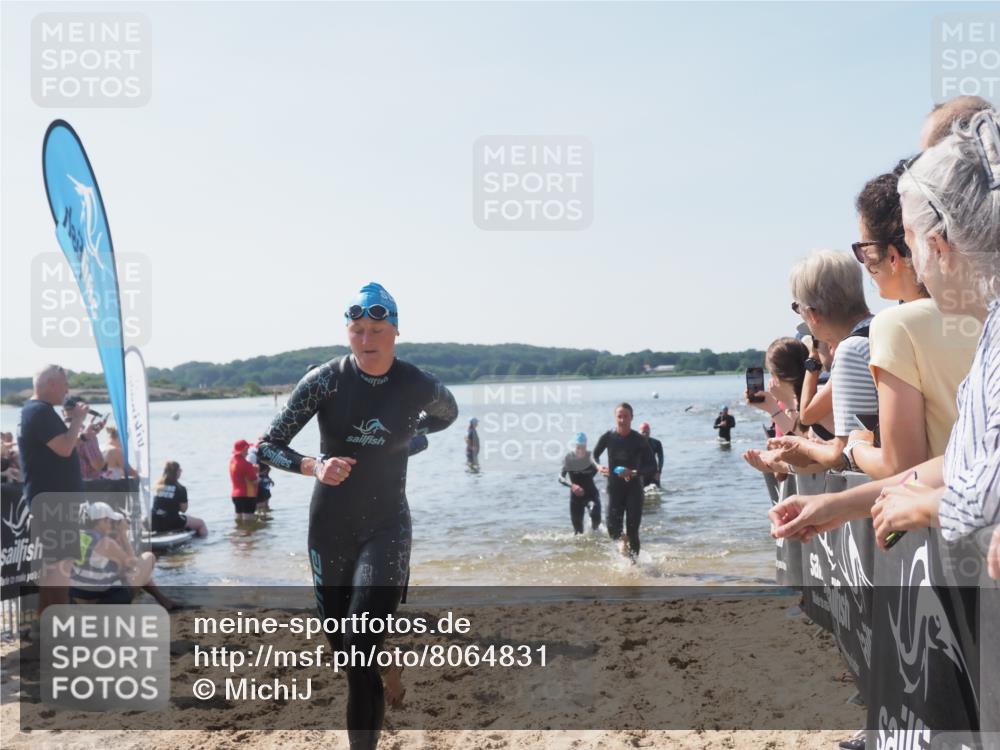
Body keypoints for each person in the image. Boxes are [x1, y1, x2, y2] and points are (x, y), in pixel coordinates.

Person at [769, 109, 1000, 566]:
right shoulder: (988, 330)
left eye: (910, 238)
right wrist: (839, 505)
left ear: (939, 246)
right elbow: (960, 466)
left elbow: (985, 497)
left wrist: (923, 506)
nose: (906, 257)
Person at [256, 281, 458, 749]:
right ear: (349, 332)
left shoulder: (417, 383)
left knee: (360, 648)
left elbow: (448, 414)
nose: (366, 339)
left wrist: (411, 438)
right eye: (358, 329)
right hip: (330, 528)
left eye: (376, 329)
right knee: (346, 651)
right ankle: (385, 666)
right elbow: (265, 446)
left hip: (387, 526)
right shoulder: (326, 380)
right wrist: (314, 465)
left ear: (395, 332)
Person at [846, 164, 979, 479]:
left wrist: (856, 450)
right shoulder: (985, 311)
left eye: (862, 249)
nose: (863, 262)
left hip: (946, 519)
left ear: (893, 254)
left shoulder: (897, 325)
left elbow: (902, 467)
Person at [767, 250, 877, 472]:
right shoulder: (885, 329)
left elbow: (845, 455)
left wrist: (802, 446)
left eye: (798, 308)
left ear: (813, 313)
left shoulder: (851, 350)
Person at [18, 365, 98, 615]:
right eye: (65, 385)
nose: (67, 391)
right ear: (51, 384)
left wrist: (77, 431)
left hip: (54, 500)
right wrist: (76, 421)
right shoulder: (38, 411)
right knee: (60, 568)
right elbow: (64, 448)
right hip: (54, 502)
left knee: (54, 568)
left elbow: (62, 447)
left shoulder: (39, 412)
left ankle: (44, 625)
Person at [593, 403, 654, 561]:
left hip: (634, 489)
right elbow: (594, 455)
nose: (622, 419)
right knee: (612, 530)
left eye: (626, 416)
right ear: (615, 418)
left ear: (631, 418)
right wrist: (599, 466)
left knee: (633, 531)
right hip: (614, 488)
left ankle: (634, 566)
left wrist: (633, 472)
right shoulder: (609, 436)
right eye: (619, 416)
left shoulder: (639, 439)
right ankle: (622, 540)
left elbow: (651, 466)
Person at [69, 501, 155, 604]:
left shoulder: (80, 536)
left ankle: (164, 601)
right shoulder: (105, 542)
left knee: (121, 572)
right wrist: (123, 534)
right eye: (109, 521)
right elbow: (132, 564)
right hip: (101, 599)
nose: (111, 524)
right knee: (149, 558)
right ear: (101, 521)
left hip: (77, 593)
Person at [558, 432, 602, 533]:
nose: (580, 450)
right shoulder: (569, 459)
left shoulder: (591, 457)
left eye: (582, 447)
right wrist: (572, 486)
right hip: (575, 497)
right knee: (578, 532)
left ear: (586, 446)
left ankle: (596, 535)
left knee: (595, 516)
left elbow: (597, 467)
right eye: (578, 447)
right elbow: (560, 477)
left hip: (590, 494)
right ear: (574, 446)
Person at [151, 461, 207, 537]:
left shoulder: (157, 486)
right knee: (201, 523)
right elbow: (183, 509)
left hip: (154, 522)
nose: (181, 471)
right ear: (177, 472)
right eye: (180, 469)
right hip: (171, 522)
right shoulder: (180, 488)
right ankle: (204, 544)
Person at [63, 396, 107, 480]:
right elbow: (98, 465)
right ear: (83, 410)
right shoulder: (87, 434)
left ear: (63, 411)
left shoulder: (56, 430)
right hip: (86, 487)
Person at [229, 439, 258, 522]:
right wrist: (258, 475)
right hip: (247, 495)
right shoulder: (246, 464)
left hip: (235, 495)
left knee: (239, 520)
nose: (248, 451)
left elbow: (240, 475)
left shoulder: (232, 462)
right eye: (247, 449)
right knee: (249, 522)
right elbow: (254, 481)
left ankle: (239, 534)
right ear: (244, 449)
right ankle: (248, 534)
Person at [637, 422, 663, 487]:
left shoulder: (656, 443)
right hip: (640, 472)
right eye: (643, 432)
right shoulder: (634, 444)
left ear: (650, 432)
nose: (645, 434)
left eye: (647, 432)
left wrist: (659, 472)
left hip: (653, 472)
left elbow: (661, 458)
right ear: (639, 433)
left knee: (656, 490)